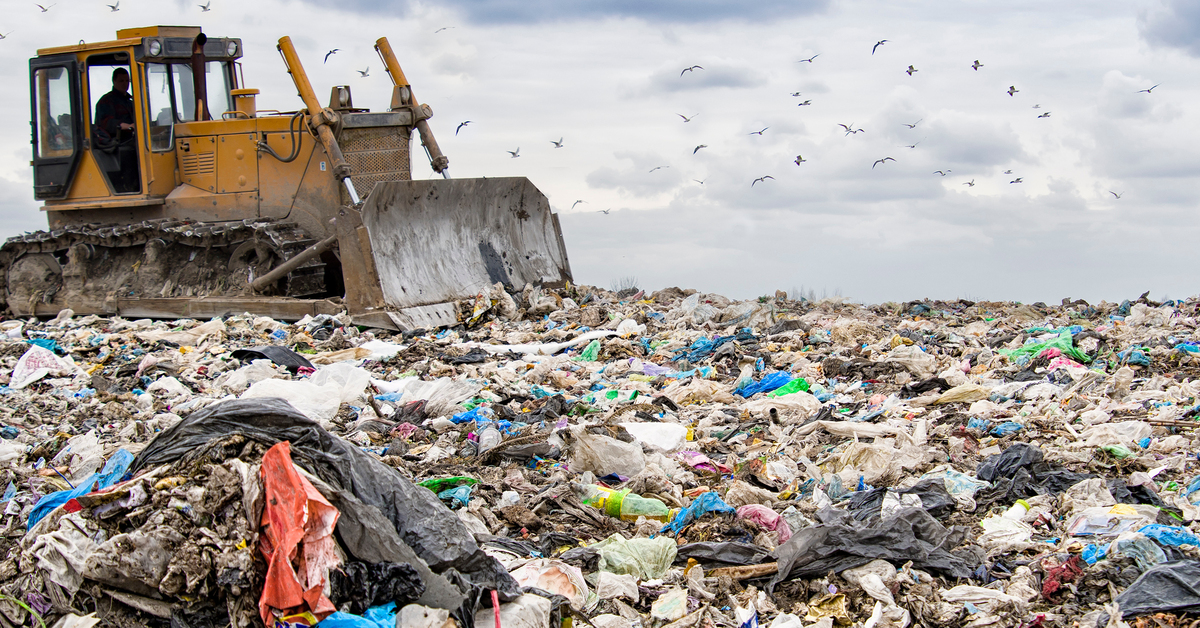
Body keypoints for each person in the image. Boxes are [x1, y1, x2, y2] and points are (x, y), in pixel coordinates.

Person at [94, 67, 134, 145]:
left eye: (127, 81)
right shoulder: (106, 101)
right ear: (114, 81)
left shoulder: (130, 102)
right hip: (116, 143)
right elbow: (107, 122)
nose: (125, 84)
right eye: (121, 81)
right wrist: (128, 126)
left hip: (132, 139)